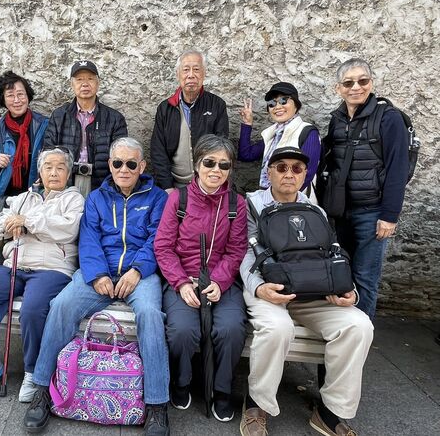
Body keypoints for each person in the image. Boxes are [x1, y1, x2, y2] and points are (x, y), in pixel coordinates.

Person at [23, 137, 170, 436]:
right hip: (98, 273)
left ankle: (156, 405)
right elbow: (89, 240)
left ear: (142, 166)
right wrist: (98, 275)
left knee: (151, 315)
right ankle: (43, 389)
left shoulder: (157, 198)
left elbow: (158, 238)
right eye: (118, 163)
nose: (124, 169)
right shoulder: (96, 198)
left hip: (140, 274)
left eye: (131, 164)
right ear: (110, 166)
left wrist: (137, 271)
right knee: (61, 306)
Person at [239, 146, 374, 436]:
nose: (289, 174)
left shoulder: (316, 210)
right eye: (281, 167)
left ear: (304, 175)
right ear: (269, 172)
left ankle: (329, 412)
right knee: (277, 328)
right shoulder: (251, 204)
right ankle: (257, 405)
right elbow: (245, 252)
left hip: (313, 291)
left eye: (296, 168)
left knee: (358, 325)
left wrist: (348, 290)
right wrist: (259, 288)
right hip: (270, 287)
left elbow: (333, 252)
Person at [0, 147, 84, 401]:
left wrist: (27, 222)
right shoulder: (24, 198)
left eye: (60, 167)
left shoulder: (74, 200)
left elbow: (68, 229)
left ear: (68, 173)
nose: (54, 173)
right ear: (40, 171)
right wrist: (9, 225)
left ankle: (33, 370)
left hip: (52, 268)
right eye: (48, 167)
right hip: (14, 264)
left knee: (33, 309)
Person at [154, 134, 248, 422]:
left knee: (231, 329)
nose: (216, 170)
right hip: (183, 278)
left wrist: (218, 282)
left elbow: (236, 250)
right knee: (182, 330)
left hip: (222, 281)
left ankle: (222, 390)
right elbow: (164, 246)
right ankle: (181, 382)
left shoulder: (236, 204)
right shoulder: (178, 198)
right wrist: (182, 283)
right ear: (197, 165)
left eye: (224, 165)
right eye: (209, 162)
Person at [326, 58, 409, 320]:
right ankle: (344, 334)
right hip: (341, 212)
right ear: (338, 88)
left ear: (371, 83)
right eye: (348, 83)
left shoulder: (389, 118)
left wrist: (389, 216)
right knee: (342, 275)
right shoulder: (337, 119)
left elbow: (397, 168)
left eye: (362, 81)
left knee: (365, 278)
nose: (356, 87)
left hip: (372, 213)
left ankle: (362, 337)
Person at [42, 60, 128, 197]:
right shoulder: (59, 116)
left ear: (98, 83)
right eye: (79, 79)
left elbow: (122, 155)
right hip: (66, 182)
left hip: (102, 184)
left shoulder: (114, 118)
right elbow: (48, 151)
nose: (85, 84)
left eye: (90, 79)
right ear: (72, 84)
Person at [151, 50, 229, 192]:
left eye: (196, 69)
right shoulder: (165, 108)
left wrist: (209, 185)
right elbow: (158, 151)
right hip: (174, 185)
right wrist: (167, 187)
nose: (191, 75)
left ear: (204, 74)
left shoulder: (217, 105)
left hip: (207, 185)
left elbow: (221, 148)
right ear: (178, 74)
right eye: (186, 70)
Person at [237, 82, 321, 201]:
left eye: (283, 100)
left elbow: (307, 174)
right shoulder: (272, 134)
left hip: (295, 203)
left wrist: (282, 201)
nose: (277, 107)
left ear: (296, 105)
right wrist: (247, 124)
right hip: (269, 201)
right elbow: (246, 155)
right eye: (272, 103)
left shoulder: (307, 132)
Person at [0, 71, 49, 208]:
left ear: (27, 96)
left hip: (36, 200)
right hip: (3, 201)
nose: (16, 100)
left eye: (20, 94)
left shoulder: (44, 125)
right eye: (10, 95)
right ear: (3, 100)